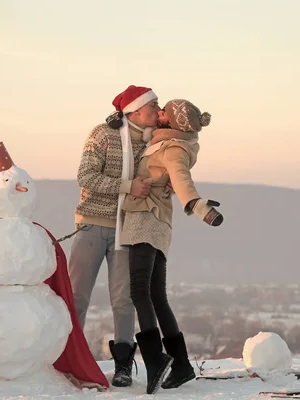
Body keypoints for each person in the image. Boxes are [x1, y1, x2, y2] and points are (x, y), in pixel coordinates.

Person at [120, 99, 223, 394]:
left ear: (173, 123)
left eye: (164, 111)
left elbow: (181, 177)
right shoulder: (162, 143)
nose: (159, 113)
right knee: (156, 296)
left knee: (140, 291)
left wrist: (197, 204)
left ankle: (155, 359)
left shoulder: (173, 148)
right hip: (156, 221)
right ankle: (182, 364)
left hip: (147, 219)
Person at [68, 85, 161, 387]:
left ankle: (123, 366)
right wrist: (128, 186)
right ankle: (70, 360)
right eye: (152, 106)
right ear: (135, 110)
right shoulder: (102, 135)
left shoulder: (155, 142)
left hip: (128, 229)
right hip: (92, 225)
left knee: (124, 300)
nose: (157, 110)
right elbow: (86, 176)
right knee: (77, 296)